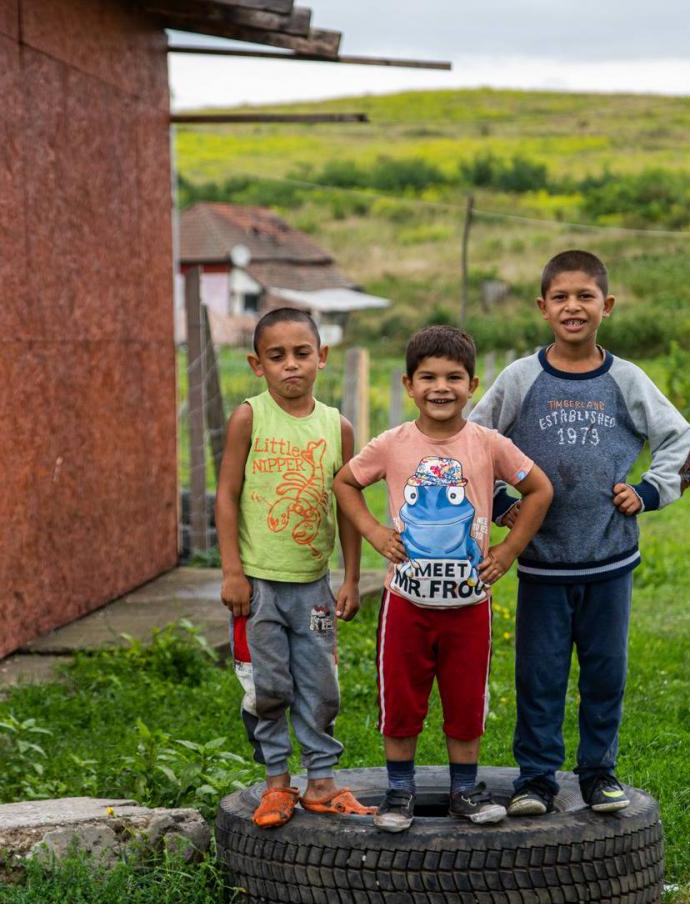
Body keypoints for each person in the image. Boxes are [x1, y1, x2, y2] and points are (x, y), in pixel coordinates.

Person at [470, 250, 690, 816]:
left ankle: (598, 773)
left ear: (607, 306)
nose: (573, 307)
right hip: (541, 563)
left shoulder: (626, 379)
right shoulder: (521, 378)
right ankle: (538, 779)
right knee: (539, 677)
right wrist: (500, 505)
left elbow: (679, 439)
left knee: (604, 675)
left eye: (585, 296)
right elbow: (471, 443)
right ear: (543, 307)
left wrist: (647, 492)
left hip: (609, 560)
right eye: (561, 297)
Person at [334, 325, 553, 833]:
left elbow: (539, 490)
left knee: (465, 699)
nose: (441, 387)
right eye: (428, 376)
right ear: (408, 384)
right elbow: (345, 482)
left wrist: (507, 551)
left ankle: (465, 791)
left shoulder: (488, 443)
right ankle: (398, 792)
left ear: (473, 384)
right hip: (405, 605)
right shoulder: (390, 445)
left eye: (454, 377)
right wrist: (372, 530)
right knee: (402, 700)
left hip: (469, 607)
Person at [216, 308, 373, 828]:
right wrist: (232, 571)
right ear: (256, 364)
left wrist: (350, 577)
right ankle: (277, 784)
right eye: (276, 356)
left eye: (301, 354)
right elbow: (226, 496)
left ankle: (322, 782)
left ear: (321, 357)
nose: (290, 366)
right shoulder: (249, 417)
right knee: (268, 687)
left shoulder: (338, 427)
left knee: (319, 684)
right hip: (258, 587)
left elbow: (348, 508)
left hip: (314, 588)